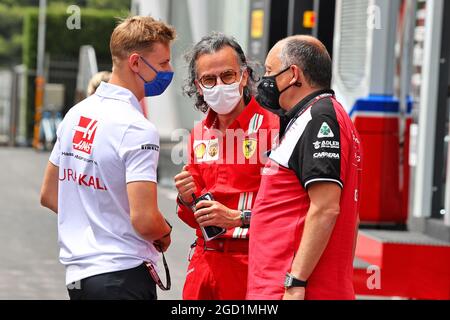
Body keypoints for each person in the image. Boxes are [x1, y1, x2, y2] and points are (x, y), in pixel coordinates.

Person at [40, 16, 175, 300]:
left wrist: (94, 222)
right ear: (136, 62)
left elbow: (50, 195)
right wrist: (165, 232)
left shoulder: (76, 114)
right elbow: (145, 220)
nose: (169, 70)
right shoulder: (137, 128)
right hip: (122, 275)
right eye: (163, 63)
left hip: (79, 277)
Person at [246, 35, 362, 300]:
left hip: (293, 289)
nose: (265, 80)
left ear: (293, 74)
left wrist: (295, 281)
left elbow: (326, 207)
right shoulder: (315, 116)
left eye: (269, 71)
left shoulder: (319, 118)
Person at [174, 32, 279, 300]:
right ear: (198, 86)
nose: (219, 85)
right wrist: (186, 199)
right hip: (203, 264)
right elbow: (191, 216)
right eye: (209, 79)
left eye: (228, 76)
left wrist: (236, 218)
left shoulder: (273, 129)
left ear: (244, 76)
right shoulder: (199, 133)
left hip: (251, 265)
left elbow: (289, 212)